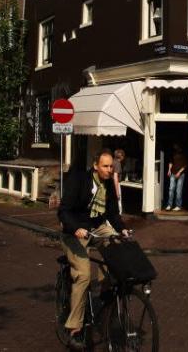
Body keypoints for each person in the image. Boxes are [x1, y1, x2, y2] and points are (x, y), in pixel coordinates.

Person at [58, 149, 128, 349]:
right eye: (105, 166)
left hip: (97, 227)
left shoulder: (108, 186)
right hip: (75, 231)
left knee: (116, 250)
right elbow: (63, 211)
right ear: (96, 166)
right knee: (83, 275)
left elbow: (113, 214)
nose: (109, 170)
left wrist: (122, 230)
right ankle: (75, 328)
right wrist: (75, 228)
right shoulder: (79, 180)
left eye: (111, 167)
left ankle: (106, 291)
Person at [165, 144, 188, 211]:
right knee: (171, 189)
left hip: (181, 174)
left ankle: (178, 205)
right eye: (174, 145)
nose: (174, 147)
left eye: (175, 145)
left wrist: (179, 172)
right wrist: (169, 170)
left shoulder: (184, 154)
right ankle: (169, 205)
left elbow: (185, 165)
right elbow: (171, 162)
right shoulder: (173, 153)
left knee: (178, 190)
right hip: (173, 173)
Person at [112, 149, 126, 214]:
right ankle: (117, 217)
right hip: (115, 183)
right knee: (118, 201)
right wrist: (117, 191)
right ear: (122, 156)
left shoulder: (112, 161)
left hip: (110, 183)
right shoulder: (117, 163)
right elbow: (115, 177)